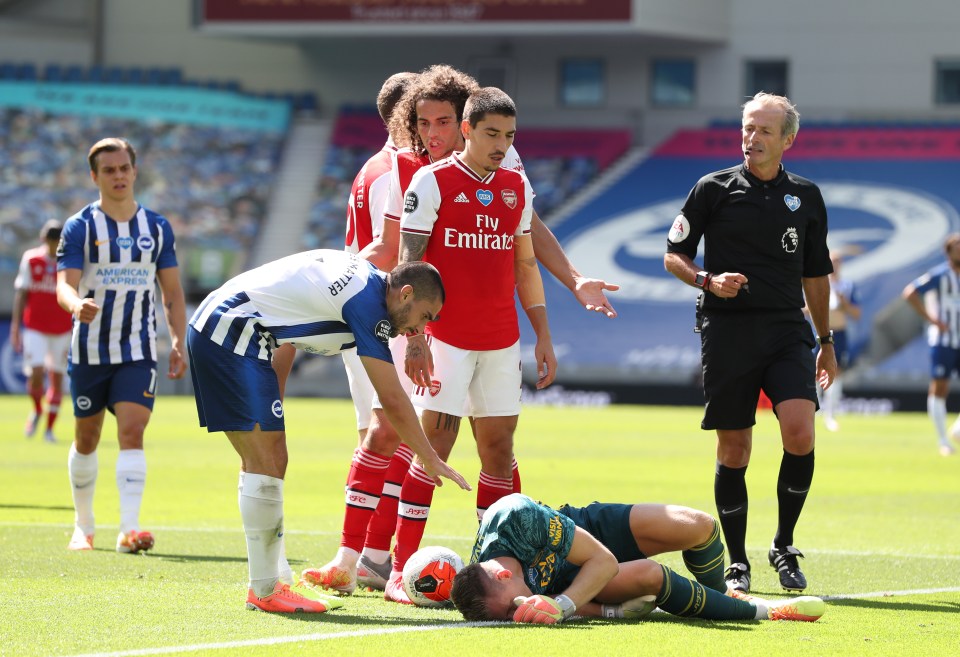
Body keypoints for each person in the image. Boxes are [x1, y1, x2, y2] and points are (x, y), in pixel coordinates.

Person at [315, 65, 619, 596]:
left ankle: (464, 565)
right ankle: (366, 558)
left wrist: (570, 282)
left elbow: (526, 233)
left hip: (485, 330)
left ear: (466, 124)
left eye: (443, 122)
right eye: (423, 123)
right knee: (398, 433)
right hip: (405, 314)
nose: (432, 133)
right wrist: (337, 293)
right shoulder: (404, 171)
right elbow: (394, 252)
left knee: (468, 441)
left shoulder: (503, 164)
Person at [187, 249, 471, 613]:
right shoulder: (367, 305)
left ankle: (274, 578)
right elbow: (392, 397)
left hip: (238, 332)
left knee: (270, 457)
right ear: (405, 294)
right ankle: (265, 589)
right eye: (424, 316)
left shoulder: (368, 285)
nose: (419, 330)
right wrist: (429, 458)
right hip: (230, 332)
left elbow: (284, 317)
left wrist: (272, 402)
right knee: (266, 459)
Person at [664, 93, 836, 595]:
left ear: (787, 139)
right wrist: (707, 280)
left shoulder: (806, 196)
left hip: (787, 329)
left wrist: (826, 340)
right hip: (728, 331)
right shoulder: (712, 189)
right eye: (747, 128)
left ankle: (783, 544)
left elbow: (816, 274)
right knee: (735, 448)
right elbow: (673, 254)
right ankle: (737, 562)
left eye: (763, 130)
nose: (752, 138)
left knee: (800, 433)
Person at [56, 138, 188, 555]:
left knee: (132, 430)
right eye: (108, 170)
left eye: (124, 168)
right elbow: (63, 285)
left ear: (134, 171)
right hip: (91, 350)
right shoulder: (80, 227)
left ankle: (129, 529)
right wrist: (77, 304)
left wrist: (179, 341)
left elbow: (172, 294)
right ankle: (84, 525)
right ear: (94, 176)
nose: (118, 176)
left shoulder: (157, 227)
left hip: (138, 348)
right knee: (88, 437)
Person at [450, 493, 826, 624]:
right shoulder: (484, 583)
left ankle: (725, 597)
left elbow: (603, 560)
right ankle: (765, 611)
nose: (522, 612)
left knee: (702, 527)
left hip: (584, 533)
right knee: (651, 576)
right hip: (568, 581)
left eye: (513, 607)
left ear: (501, 575)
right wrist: (603, 611)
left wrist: (562, 605)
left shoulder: (518, 517)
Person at [341, 71, 418, 443]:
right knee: (387, 437)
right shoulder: (392, 174)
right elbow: (388, 253)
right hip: (378, 318)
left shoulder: (371, 167)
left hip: (357, 312)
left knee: (369, 437)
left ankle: (364, 502)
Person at [12, 219, 73, 443]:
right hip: (36, 327)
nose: (53, 245)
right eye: (50, 240)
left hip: (62, 328)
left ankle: (49, 430)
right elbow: (22, 293)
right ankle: (38, 409)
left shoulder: (69, 262)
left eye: (56, 241)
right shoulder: (32, 259)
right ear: (43, 239)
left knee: (57, 379)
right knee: (36, 374)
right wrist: (16, 326)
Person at [902, 233, 960, 456]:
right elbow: (910, 293)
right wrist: (932, 319)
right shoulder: (939, 275)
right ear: (948, 251)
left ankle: (957, 430)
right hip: (944, 340)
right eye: (956, 246)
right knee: (940, 387)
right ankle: (943, 440)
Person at [821, 249, 861, 431]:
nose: (835, 265)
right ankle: (814, 411)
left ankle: (830, 415)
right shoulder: (818, 282)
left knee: (837, 372)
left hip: (840, 334)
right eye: (832, 261)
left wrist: (844, 303)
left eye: (838, 261)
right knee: (816, 372)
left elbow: (856, 314)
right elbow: (804, 309)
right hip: (820, 332)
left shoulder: (848, 286)